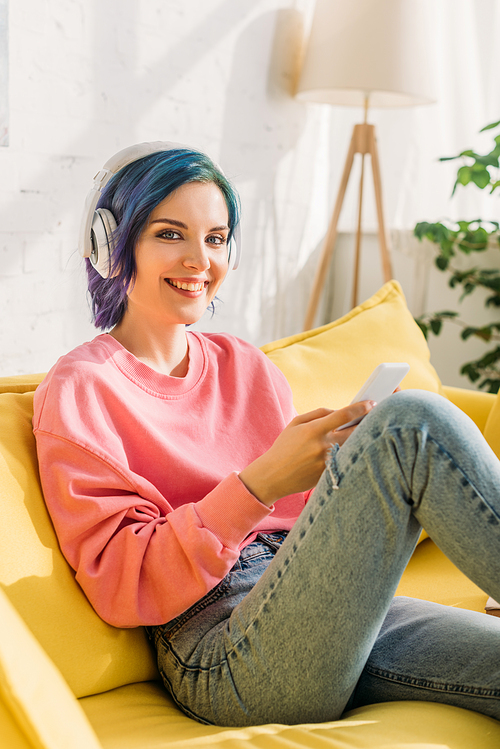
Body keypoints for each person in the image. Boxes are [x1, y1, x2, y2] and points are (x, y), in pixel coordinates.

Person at [33, 143, 500, 727]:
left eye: (215, 237)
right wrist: (256, 485)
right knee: (415, 427)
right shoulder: (83, 388)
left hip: (325, 603)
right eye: (171, 234)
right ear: (111, 243)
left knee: (402, 425)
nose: (199, 259)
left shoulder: (244, 366)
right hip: (223, 653)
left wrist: (347, 462)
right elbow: (123, 586)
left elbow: (306, 523)